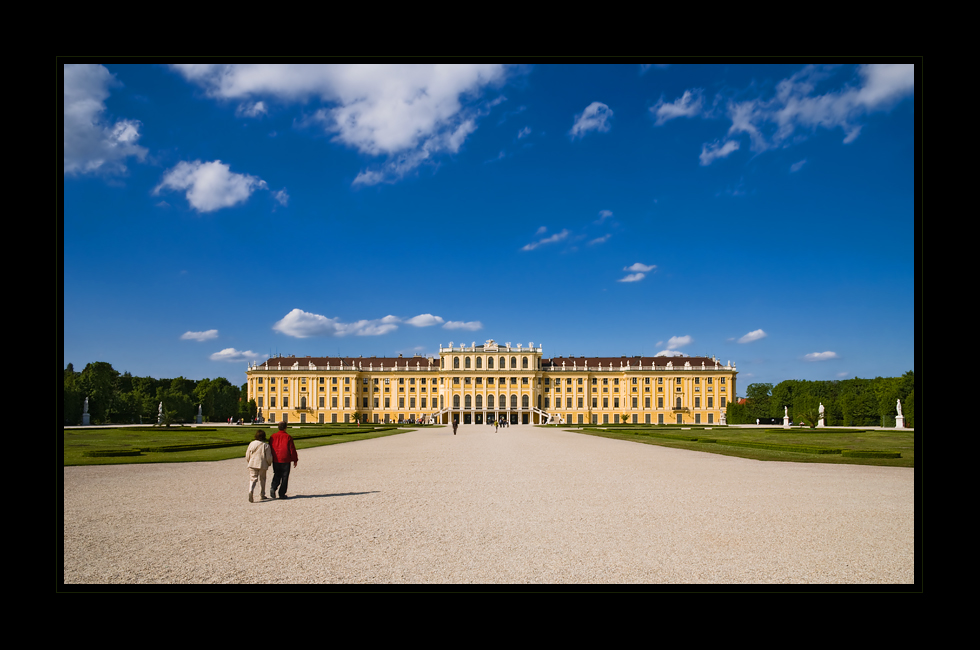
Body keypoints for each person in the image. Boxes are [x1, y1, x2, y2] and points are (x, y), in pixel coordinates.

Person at [270, 421, 298, 499]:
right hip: (285, 459)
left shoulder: (273, 436)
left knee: (277, 474)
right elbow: (292, 449)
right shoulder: (288, 437)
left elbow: (270, 448)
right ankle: (281, 494)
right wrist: (295, 459)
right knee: (285, 477)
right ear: (285, 428)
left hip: (276, 459)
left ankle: (273, 487)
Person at [246, 430, 274, 502]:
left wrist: (249, 461)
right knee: (262, 479)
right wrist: (269, 463)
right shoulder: (266, 445)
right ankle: (262, 495)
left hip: (252, 463)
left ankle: (251, 490)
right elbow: (268, 457)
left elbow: (247, 454)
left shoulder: (252, 443)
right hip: (262, 464)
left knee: (253, 479)